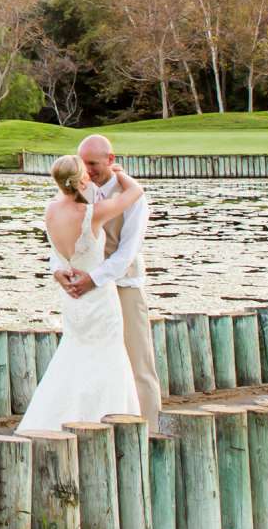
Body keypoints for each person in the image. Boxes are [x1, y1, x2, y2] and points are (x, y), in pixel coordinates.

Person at [16, 151, 145, 432]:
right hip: (98, 297)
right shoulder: (92, 214)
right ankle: (104, 422)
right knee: (108, 358)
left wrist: (56, 272)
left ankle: (54, 421)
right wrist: (119, 172)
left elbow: (55, 253)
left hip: (71, 296)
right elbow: (136, 191)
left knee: (73, 355)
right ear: (81, 179)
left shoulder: (51, 211)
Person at [52, 133, 163, 421]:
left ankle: (147, 428)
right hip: (88, 294)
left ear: (111, 160)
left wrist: (95, 278)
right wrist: (58, 270)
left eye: (93, 164)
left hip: (123, 286)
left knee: (137, 362)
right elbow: (58, 239)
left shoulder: (133, 198)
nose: (87, 171)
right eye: (83, 164)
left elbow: (128, 251)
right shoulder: (78, 192)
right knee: (92, 361)